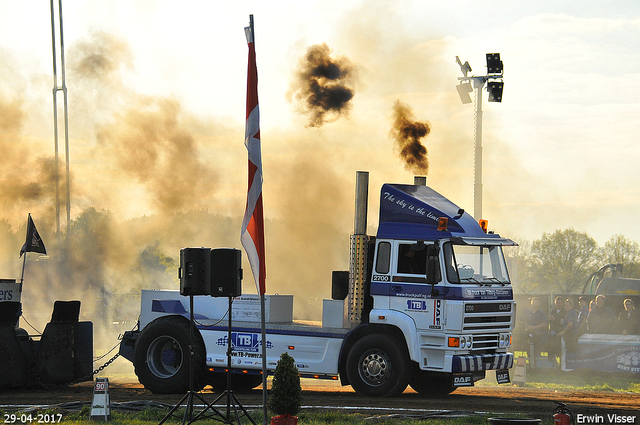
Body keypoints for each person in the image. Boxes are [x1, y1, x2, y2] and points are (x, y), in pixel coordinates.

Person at [548, 296, 565, 363]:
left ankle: (560, 363)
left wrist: (555, 319)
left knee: (559, 348)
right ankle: (551, 360)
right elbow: (551, 321)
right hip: (553, 332)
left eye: (559, 303)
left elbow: (562, 322)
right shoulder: (553, 311)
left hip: (560, 332)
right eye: (556, 303)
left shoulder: (564, 311)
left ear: (562, 303)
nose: (558, 304)